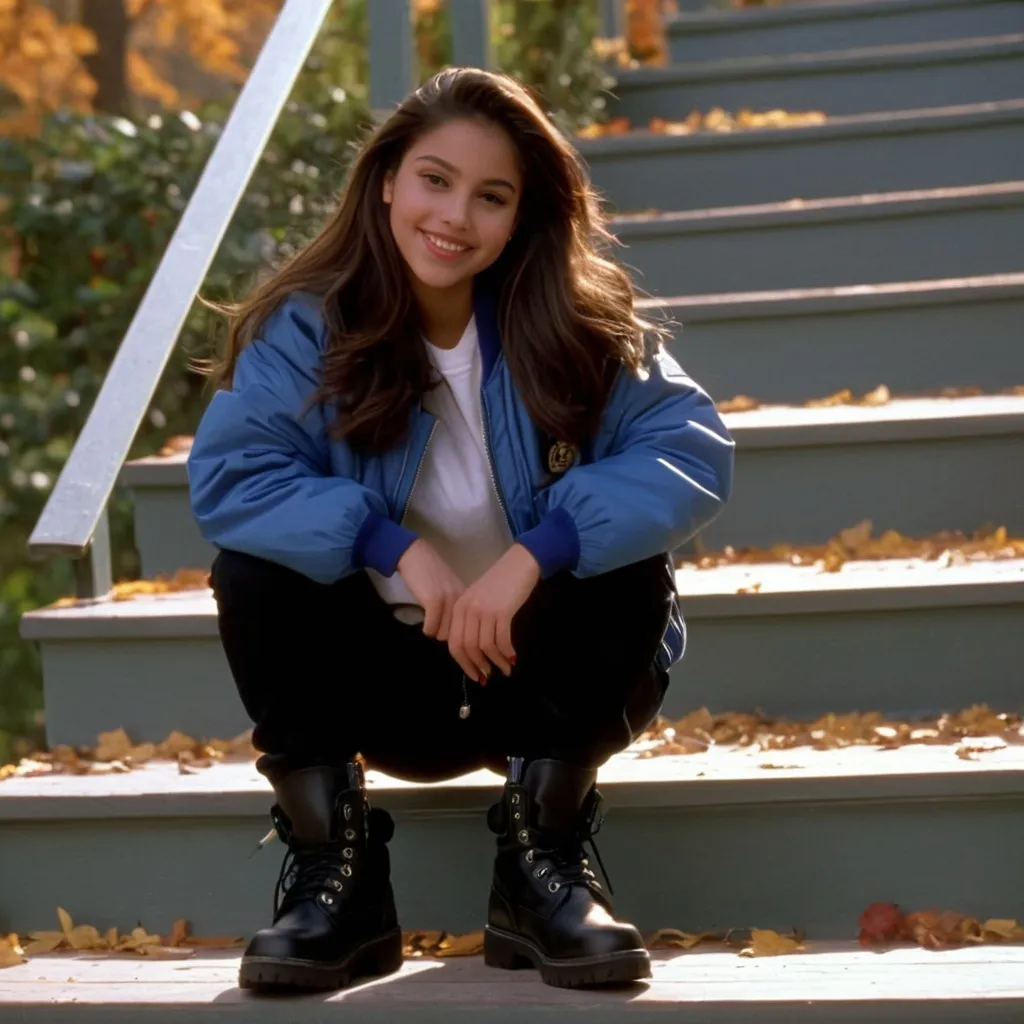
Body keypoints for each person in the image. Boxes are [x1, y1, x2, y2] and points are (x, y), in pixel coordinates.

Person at [187, 66, 734, 994]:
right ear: (388, 179)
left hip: (543, 674)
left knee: (625, 564)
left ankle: (542, 868)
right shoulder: (304, 329)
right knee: (253, 571)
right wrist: (390, 547)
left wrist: (535, 555)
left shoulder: (583, 324)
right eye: (434, 179)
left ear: (522, 215)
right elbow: (234, 476)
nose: (454, 216)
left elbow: (687, 450)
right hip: (380, 681)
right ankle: (338, 881)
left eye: (492, 196)